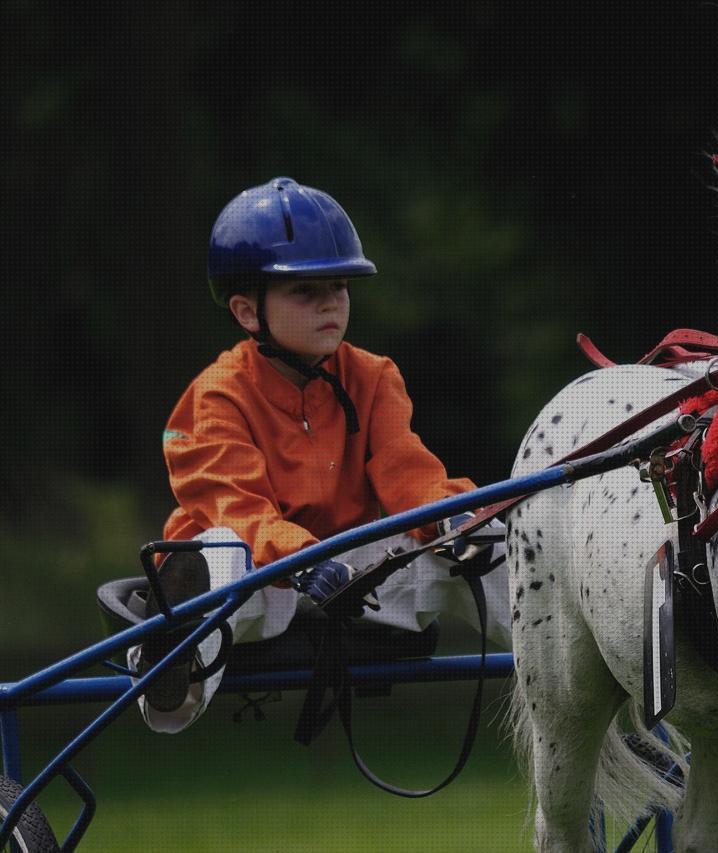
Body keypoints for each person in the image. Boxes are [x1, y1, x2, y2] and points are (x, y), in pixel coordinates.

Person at [131, 177, 509, 733]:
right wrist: (303, 561)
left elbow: (409, 477)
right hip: (258, 584)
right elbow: (239, 511)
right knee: (222, 548)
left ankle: (572, 668)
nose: (331, 301)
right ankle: (170, 681)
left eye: (340, 285)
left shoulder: (374, 376)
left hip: (347, 577)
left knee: (485, 534)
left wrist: (456, 520)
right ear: (246, 311)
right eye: (305, 290)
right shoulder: (216, 395)